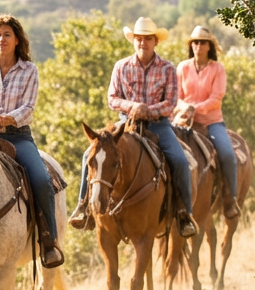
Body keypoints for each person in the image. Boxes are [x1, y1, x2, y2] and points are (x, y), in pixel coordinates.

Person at [69, 17, 197, 238]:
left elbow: (170, 103)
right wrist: (133, 106)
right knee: (88, 155)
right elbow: (113, 98)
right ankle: (84, 206)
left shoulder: (167, 68)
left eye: (147, 39)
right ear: (133, 41)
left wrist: (148, 109)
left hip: (158, 125)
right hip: (125, 124)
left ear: (155, 41)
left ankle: (183, 212)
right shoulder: (121, 66)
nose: (142, 43)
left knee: (179, 160)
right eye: (139, 38)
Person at [0, 14, 64, 268]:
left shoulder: (29, 70)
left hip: (17, 138)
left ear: (17, 39)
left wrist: (5, 119)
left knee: (41, 179)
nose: (1, 39)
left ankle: (48, 241)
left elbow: (28, 108)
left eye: (7, 34)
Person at [175, 26, 240, 219]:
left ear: (209, 46)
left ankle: (230, 198)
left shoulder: (217, 69)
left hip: (211, 122)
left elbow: (216, 98)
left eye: (202, 42)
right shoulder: (182, 67)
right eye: (195, 42)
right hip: (183, 121)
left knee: (227, 154)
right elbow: (176, 96)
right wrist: (185, 107)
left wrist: (195, 108)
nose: (198, 46)